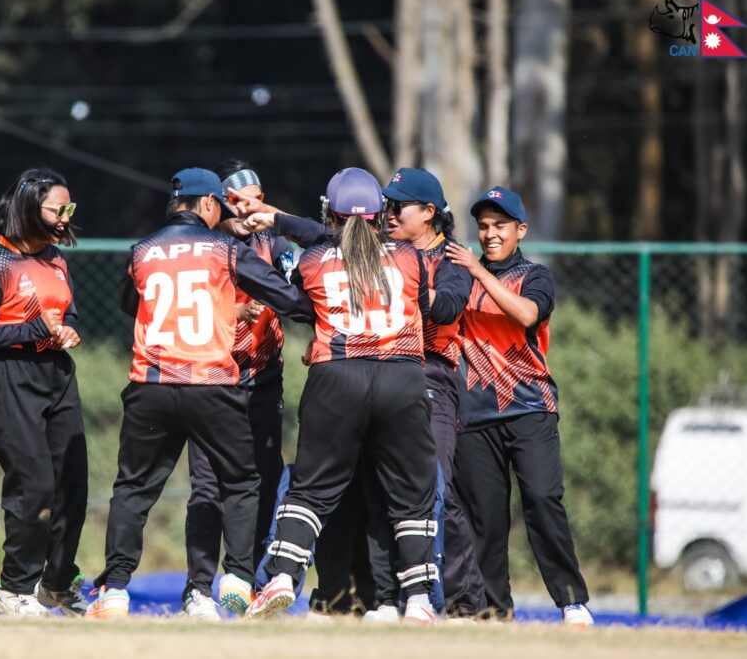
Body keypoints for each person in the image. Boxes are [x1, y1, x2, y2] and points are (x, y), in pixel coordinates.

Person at [88, 167, 313, 619]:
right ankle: (236, 575)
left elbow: (129, 304)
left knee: (133, 487)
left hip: (150, 384)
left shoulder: (142, 250)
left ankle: (114, 588)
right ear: (209, 204)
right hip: (210, 385)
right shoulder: (226, 248)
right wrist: (316, 311)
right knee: (243, 481)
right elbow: (284, 298)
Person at [246, 167, 440, 625]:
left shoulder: (313, 260)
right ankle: (417, 601)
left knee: (311, 490)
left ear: (328, 213)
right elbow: (427, 301)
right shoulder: (412, 257)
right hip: (401, 375)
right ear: (381, 214)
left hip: (337, 376)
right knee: (411, 496)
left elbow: (298, 303)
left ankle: (281, 577)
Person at [445, 186, 594, 627]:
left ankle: (572, 602)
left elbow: (527, 315)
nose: (490, 234)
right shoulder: (461, 276)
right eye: (484, 226)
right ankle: (494, 612)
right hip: (474, 415)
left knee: (543, 499)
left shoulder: (535, 275)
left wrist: (478, 271)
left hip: (530, 408)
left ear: (520, 230)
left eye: (500, 226)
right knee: (485, 520)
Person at [0, 167, 88, 617]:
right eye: (59, 208)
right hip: (9, 375)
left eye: (69, 208)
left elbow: (68, 313)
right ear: (29, 207)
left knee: (73, 484)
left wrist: (69, 331)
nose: (66, 216)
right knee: (34, 484)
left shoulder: (57, 258)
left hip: (57, 373)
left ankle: (56, 584)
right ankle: (12, 588)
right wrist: (36, 328)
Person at [181, 160, 297, 620]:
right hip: (213, 377)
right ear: (220, 204)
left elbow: (305, 280)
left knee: (264, 479)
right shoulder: (204, 247)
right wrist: (231, 310)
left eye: (258, 197)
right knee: (207, 487)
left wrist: (278, 217)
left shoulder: (277, 243)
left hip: (264, 378)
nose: (251, 208)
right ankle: (199, 589)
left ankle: (249, 581)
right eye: (240, 201)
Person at [375, 167, 487, 621]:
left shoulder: (451, 259)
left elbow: (447, 306)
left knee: (435, 486)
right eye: (387, 204)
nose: (389, 213)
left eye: (399, 205)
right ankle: (394, 594)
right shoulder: (388, 251)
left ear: (429, 213)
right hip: (383, 372)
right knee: (384, 487)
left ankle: (450, 600)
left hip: (432, 377)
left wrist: (410, 282)